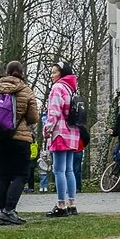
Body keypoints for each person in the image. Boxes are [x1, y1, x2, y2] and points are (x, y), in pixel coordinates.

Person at [0, 60, 40, 225]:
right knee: (21, 174)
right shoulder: (26, 90)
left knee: (3, 176)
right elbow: (33, 117)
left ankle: (4, 212)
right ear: (21, 73)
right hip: (19, 139)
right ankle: (9, 210)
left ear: (7, 72)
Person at [43, 59, 83, 217]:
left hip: (59, 132)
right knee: (69, 170)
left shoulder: (57, 88)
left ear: (62, 73)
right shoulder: (72, 89)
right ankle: (72, 204)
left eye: (54, 72)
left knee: (58, 170)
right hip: (72, 133)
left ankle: (61, 205)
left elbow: (54, 112)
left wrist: (47, 129)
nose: (52, 75)